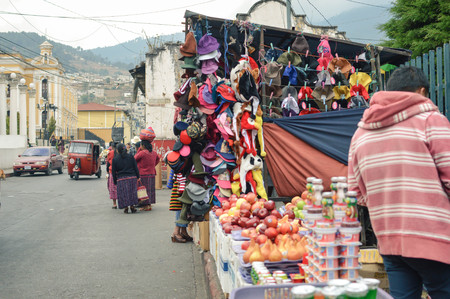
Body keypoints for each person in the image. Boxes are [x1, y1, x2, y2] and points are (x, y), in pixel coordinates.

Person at [347, 66, 450, 299]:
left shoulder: (360, 134)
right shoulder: (431, 120)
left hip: (389, 238)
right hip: (432, 236)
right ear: (422, 91)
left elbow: (356, 193)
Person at [112, 143, 140, 214]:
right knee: (132, 192)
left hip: (121, 179)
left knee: (123, 193)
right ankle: (132, 206)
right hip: (132, 177)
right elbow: (135, 167)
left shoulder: (115, 159)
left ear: (117, 150)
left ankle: (126, 207)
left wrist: (115, 181)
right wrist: (138, 176)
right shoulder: (130, 156)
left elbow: (113, 172)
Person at [134, 139, 160, 211]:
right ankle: (149, 204)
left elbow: (134, 158)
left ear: (143, 146)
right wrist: (153, 165)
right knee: (150, 190)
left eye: (141, 145)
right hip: (151, 173)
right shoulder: (154, 153)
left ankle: (145, 205)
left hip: (143, 173)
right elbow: (158, 159)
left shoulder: (142, 153)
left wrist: (139, 150)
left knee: (143, 190)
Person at [106, 142, 118, 209]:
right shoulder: (120, 153)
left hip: (112, 172)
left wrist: (107, 171)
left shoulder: (110, 153)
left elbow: (108, 163)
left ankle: (114, 204)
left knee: (113, 188)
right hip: (119, 172)